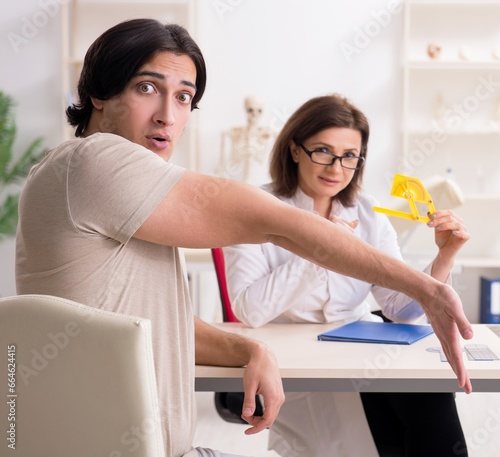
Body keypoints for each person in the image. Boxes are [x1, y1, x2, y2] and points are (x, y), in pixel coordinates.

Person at [14, 19, 473, 457]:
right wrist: (424, 287)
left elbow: (160, 323)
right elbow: (279, 226)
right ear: (97, 92)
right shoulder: (96, 161)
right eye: (147, 88)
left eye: (184, 97)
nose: (166, 116)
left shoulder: (116, 189)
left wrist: (249, 348)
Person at [223, 94, 470, 456]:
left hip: (361, 347)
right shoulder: (255, 209)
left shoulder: (368, 214)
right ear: (295, 150)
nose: (336, 167)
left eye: (350, 156)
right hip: (296, 357)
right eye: (322, 150)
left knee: (430, 405)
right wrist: (322, 249)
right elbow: (250, 310)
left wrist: (444, 257)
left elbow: (398, 308)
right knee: (355, 441)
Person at [216, 94, 275, 185]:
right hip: (237, 180)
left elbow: (263, 160)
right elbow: (233, 160)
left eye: (259, 111)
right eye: (250, 110)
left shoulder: (266, 134)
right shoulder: (235, 132)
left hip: (259, 181)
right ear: (246, 110)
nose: (254, 115)